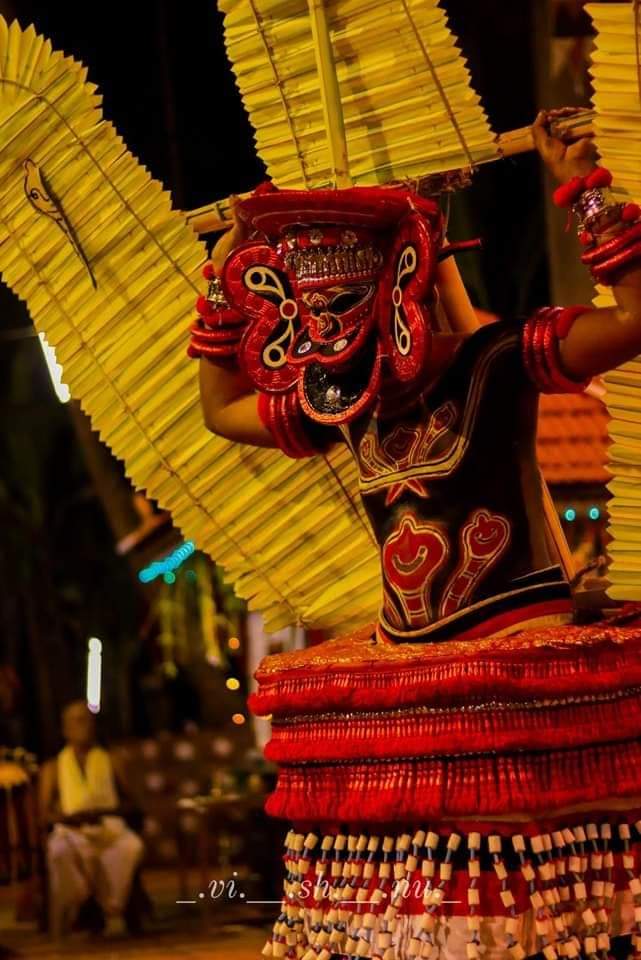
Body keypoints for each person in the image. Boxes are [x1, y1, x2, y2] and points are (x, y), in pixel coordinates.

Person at [190, 112, 641, 960]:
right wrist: (219, 278)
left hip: (511, 669)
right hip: (409, 683)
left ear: (399, 286)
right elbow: (221, 413)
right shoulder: (343, 405)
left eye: (340, 307)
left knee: (521, 915)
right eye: (311, 313)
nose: (322, 332)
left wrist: (587, 189)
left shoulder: (500, 360)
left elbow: (632, 322)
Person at [39, 701, 144, 939]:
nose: (84, 726)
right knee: (58, 851)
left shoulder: (112, 759)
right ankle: (80, 900)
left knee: (131, 846)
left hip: (108, 828)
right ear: (64, 729)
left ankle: (110, 905)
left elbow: (132, 802)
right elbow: (44, 814)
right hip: (71, 831)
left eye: (87, 720)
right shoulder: (53, 767)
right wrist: (68, 817)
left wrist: (106, 811)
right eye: (77, 721)